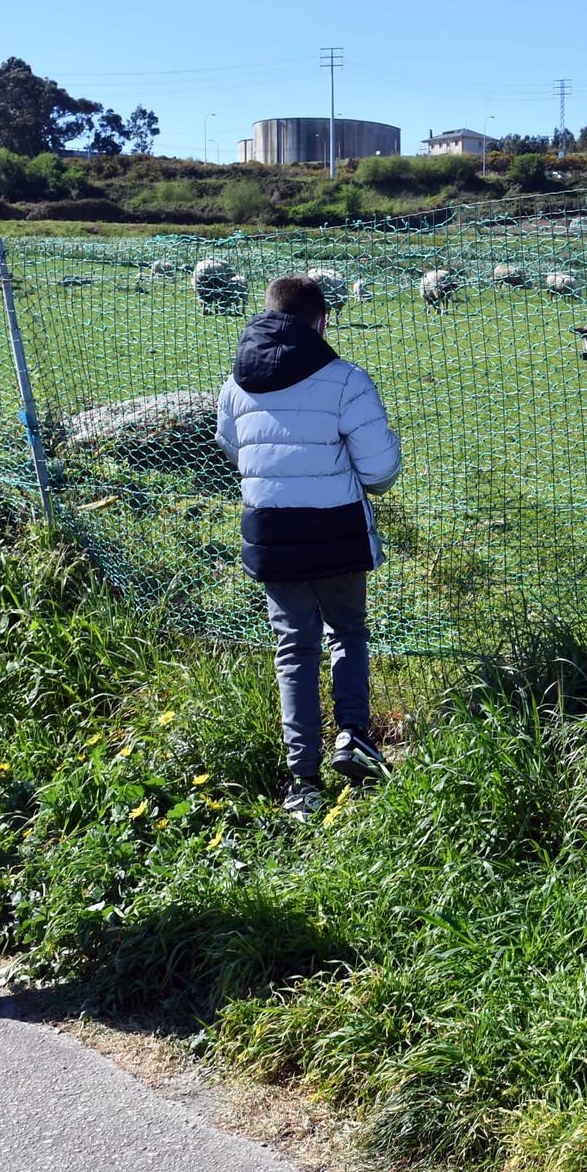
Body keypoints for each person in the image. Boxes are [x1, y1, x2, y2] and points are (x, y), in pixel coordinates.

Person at [216, 276, 402, 815]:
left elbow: (233, 447)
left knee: (293, 650)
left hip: (271, 533)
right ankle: (354, 738)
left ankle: (303, 784)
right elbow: (380, 469)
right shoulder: (345, 379)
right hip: (336, 529)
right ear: (320, 321)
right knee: (347, 631)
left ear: (269, 313)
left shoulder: (235, 382)